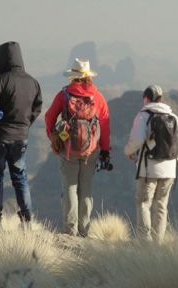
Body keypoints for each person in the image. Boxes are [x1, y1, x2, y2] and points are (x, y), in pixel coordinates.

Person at [0, 41, 43, 232]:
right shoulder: (32, 82)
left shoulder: (0, 81)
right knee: (20, 177)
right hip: (20, 139)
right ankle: (27, 222)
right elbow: (37, 107)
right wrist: (24, 124)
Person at [44, 58, 111, 237]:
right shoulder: (97, 96)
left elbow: (49, 117)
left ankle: (70, 230)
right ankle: (84, 230)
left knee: (70, 188)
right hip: (91, 150)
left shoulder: (64, 95)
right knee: (86, 189)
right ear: (89, 76)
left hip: (68, 150)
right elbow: (104, 124)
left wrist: (53, 137)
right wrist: (104, 149)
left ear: (73, 77)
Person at [124, 85, 178, 243]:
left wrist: (128, 152)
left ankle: (145, 244)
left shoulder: (143, 116)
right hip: (169, 172)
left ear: (146, 98)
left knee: (144, 204)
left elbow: (136, 140)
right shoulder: (174, 118)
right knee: (161, 205)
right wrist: (171, 159)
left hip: (148, 170)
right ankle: (157, 244)